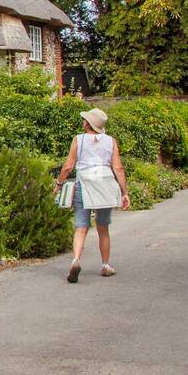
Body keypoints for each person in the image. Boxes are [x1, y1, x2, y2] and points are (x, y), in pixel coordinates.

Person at [54, 108, 130, 283]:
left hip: (84, 184)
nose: (83, 121)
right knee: (103, 228)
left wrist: (59, 184)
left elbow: (68, 166)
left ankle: (75, 260)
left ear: (88, 124)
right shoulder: (111, 141)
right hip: (105, 184)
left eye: (85, 120)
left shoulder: (78, 140)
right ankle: (105, 265)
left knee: (81, 227)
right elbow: (118, 168)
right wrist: (124, 192)